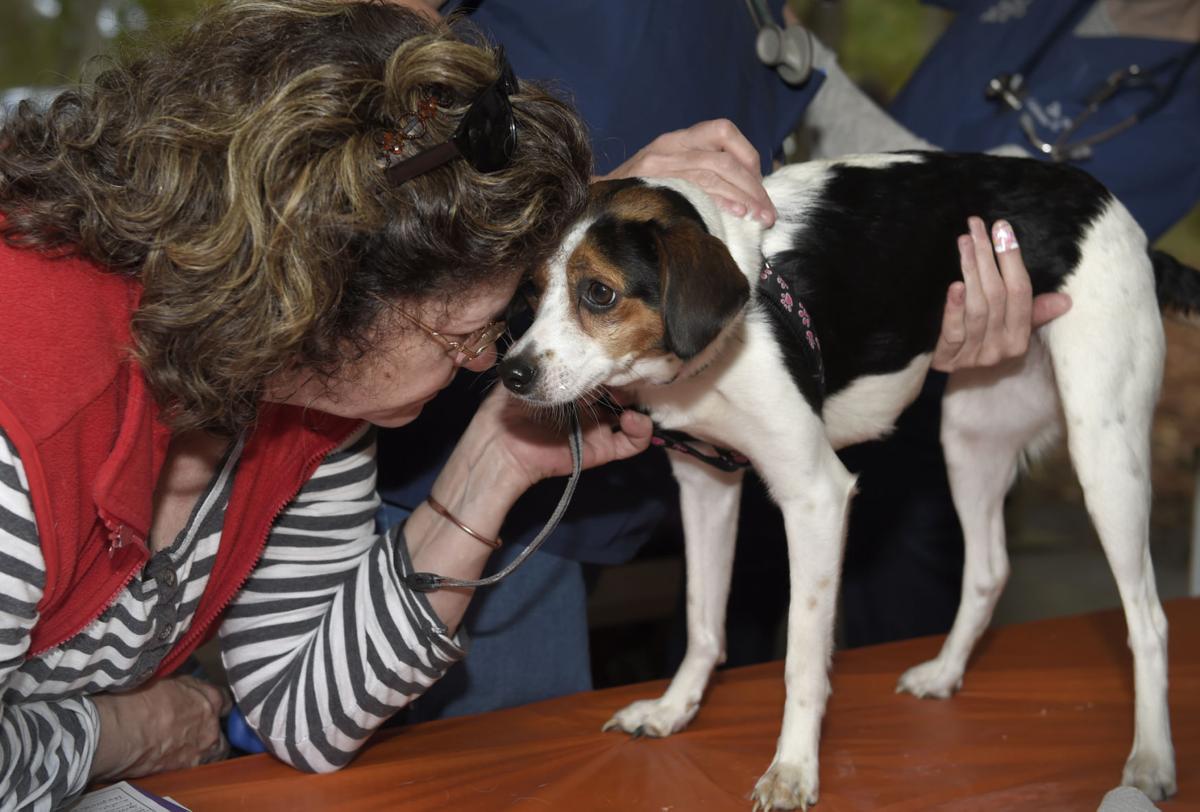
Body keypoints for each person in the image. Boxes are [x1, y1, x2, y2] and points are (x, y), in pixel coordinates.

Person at [0, 0, 682, 806]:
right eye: (464, 335)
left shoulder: (302, 392)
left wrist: (495, 462)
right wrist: (118, 734)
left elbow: (303, 711)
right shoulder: (30, 408)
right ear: (323, 295)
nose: (481, 362)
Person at [376, 0, 1072, 721]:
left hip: (644, 410)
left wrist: (988, 224)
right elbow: (377, 96)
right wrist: (595, 205)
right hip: (447, 437)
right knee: (487, 736)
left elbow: (828, 120)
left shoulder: (761, 22)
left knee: (546, 731)